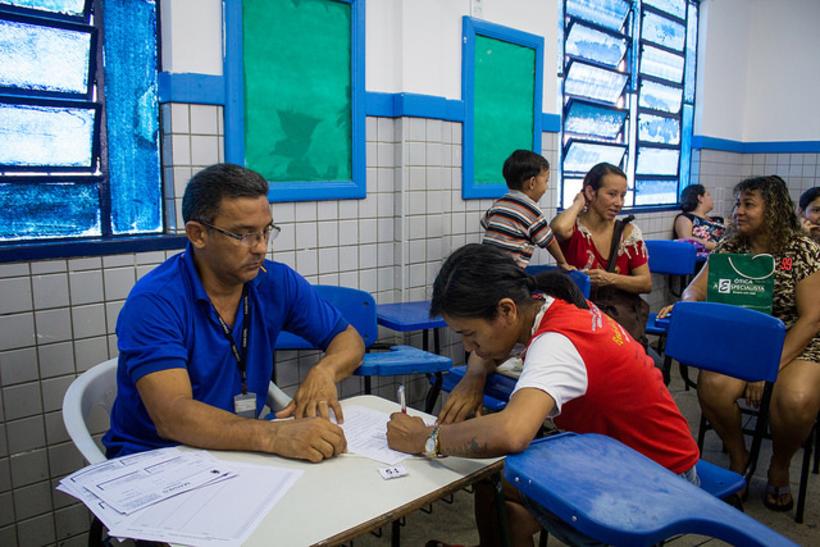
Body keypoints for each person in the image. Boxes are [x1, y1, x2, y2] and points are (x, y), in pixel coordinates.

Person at [387, 244, 700, 547]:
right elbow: (490, 352)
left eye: (470, 334)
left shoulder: (556, 343)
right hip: (632, 457)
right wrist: (475, 375)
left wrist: (425, 438)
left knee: (494, 476)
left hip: (658, 482)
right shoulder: (547, 302)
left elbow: (511, 433)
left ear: (506, 310)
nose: (468, 347)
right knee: (504, 496)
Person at [102, 164, 365, 462]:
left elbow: (349, 339)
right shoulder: (155, 302)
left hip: (238, 449)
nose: (261, 247)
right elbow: (172, 416)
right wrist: (274, 435)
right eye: (243, 235)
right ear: (197, 234)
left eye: (266, 231)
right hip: (158, 458)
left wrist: (324, 371)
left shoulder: (275, 281)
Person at [658, 175, 820, 512]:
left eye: (748, 204)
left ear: (773, 209)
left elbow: (812, 319)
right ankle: (738, 456)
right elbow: (694, 289)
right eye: (738, 204)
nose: (738, 211)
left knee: (796, 399)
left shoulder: (801, 250)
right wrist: (688, 304)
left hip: (796, 340)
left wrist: (765, 369)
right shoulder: (731, 247)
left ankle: (779, 465)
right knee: (713, 386)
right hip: (744, 341)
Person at [549, 162, 651, 345]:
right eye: (612, 194)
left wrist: (610, 279)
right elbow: (558, 229)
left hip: (617, 325)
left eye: (623, 196)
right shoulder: (574, 230)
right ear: (591, 192)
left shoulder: (628, 233)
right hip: (577, 321)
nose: (619, 203)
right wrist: (578, 203)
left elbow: (645, 283)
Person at [481, 150, 573, 270]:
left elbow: (485, 223)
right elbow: (550, 241)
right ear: (532, 183)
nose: (546, 187)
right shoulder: (532, 211)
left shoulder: (499, 203)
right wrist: (562, 262)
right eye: (546, 181)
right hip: (509, 273)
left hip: (485, 268)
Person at [673, 184, 725, 251]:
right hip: (708, 254)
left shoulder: (716, 219)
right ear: (700, 198)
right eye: (708, 195)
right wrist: (717, 246)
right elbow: (686, 240)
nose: (711, 198)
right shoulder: (685, 218)